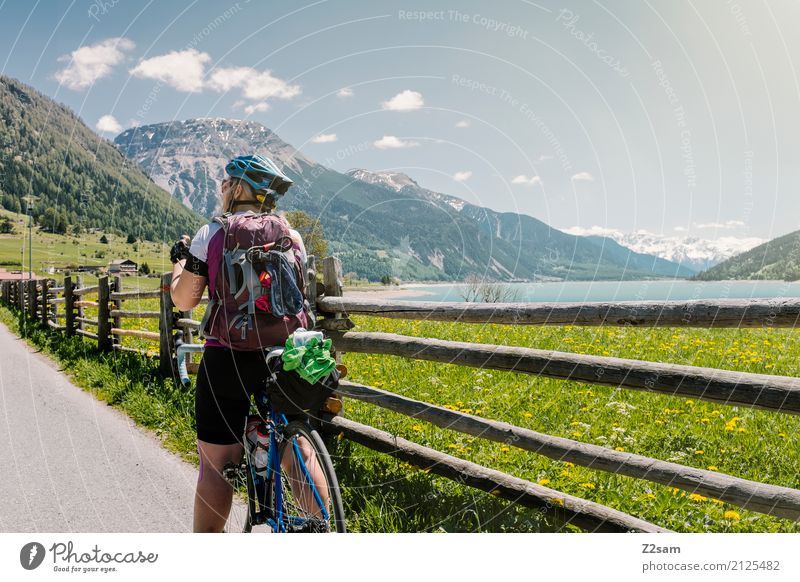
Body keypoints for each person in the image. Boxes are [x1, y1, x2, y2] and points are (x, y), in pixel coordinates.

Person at [169, 154, 315, 533]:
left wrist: (178, 265)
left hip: (227, 358)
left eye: (224, 182)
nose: (221, 189)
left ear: (237, 187)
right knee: (296, 448)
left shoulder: (212, 233)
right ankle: (322, 529)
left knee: (216, 465)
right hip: (284, 357)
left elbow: (184, 300)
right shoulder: (292, 235)